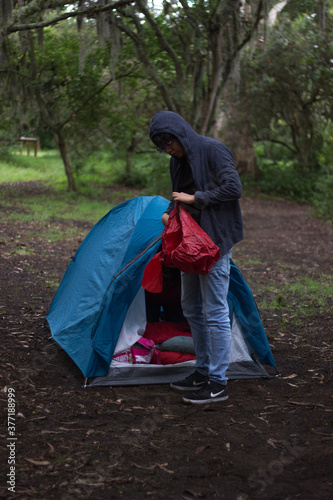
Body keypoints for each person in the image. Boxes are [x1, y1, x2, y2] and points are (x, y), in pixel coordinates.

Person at [149, 110, 243, 404]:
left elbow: (233, 187)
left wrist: (196, 199)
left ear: (180, 133)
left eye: (170, 143)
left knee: (214, 311)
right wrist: (169, 212)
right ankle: (201, 371)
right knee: (191, 307)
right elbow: (179, 194)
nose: (169, 149)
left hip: (213, 241)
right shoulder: (177, 163)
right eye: (163, 146)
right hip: (188, 244)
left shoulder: (212, 150)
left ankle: (218, 382)